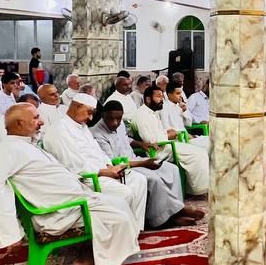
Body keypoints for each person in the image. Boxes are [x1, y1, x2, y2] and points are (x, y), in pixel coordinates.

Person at [0, 103, 138, 265]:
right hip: (59, 212)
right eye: (35, 118)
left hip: (72, 202)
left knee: (120, 202)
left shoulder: (25, 145)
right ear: (19, 123)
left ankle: (88, 258)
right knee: (118, 217)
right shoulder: (5, 151)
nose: (41, 122)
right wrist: (11, 236)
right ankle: (91, 263)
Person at [42, 94, 146, 235]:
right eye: (89, 113)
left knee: (139, 180)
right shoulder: (59, 130)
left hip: (103, 172)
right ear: (77, 107)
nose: (91, 118)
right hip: (87, 178)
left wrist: (109, 166)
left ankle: (135, 229)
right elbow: (72, 165)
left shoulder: (82, 126)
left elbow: (98, 152)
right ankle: (119, 233)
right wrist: (103, 172)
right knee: (125, 193)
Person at [91, 97, 195, 228]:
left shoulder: (120, 125)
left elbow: (126, 139)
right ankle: (161, 220)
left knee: (171, 169)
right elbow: (111, 163)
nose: (115, 123)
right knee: (153, 178)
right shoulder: (96, 133)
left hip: (135, 159)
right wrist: (144, 163)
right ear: (103, 116)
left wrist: (141, 144)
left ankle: (175, 211)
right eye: (110, 119)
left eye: (118, 119)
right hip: (124, 166)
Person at [131, 85, 210, 194]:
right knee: (197, 153)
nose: (162, 99)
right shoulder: (142, 115)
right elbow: (151, 141)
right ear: (148, 99)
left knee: (200, 151)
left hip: (167, 145)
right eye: (158, 96)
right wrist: (169, 135)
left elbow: (158, 132)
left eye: (162, 97)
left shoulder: (152, 112)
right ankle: (197, 189)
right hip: (159, 150)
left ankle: (194, 187)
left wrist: (167, 133)